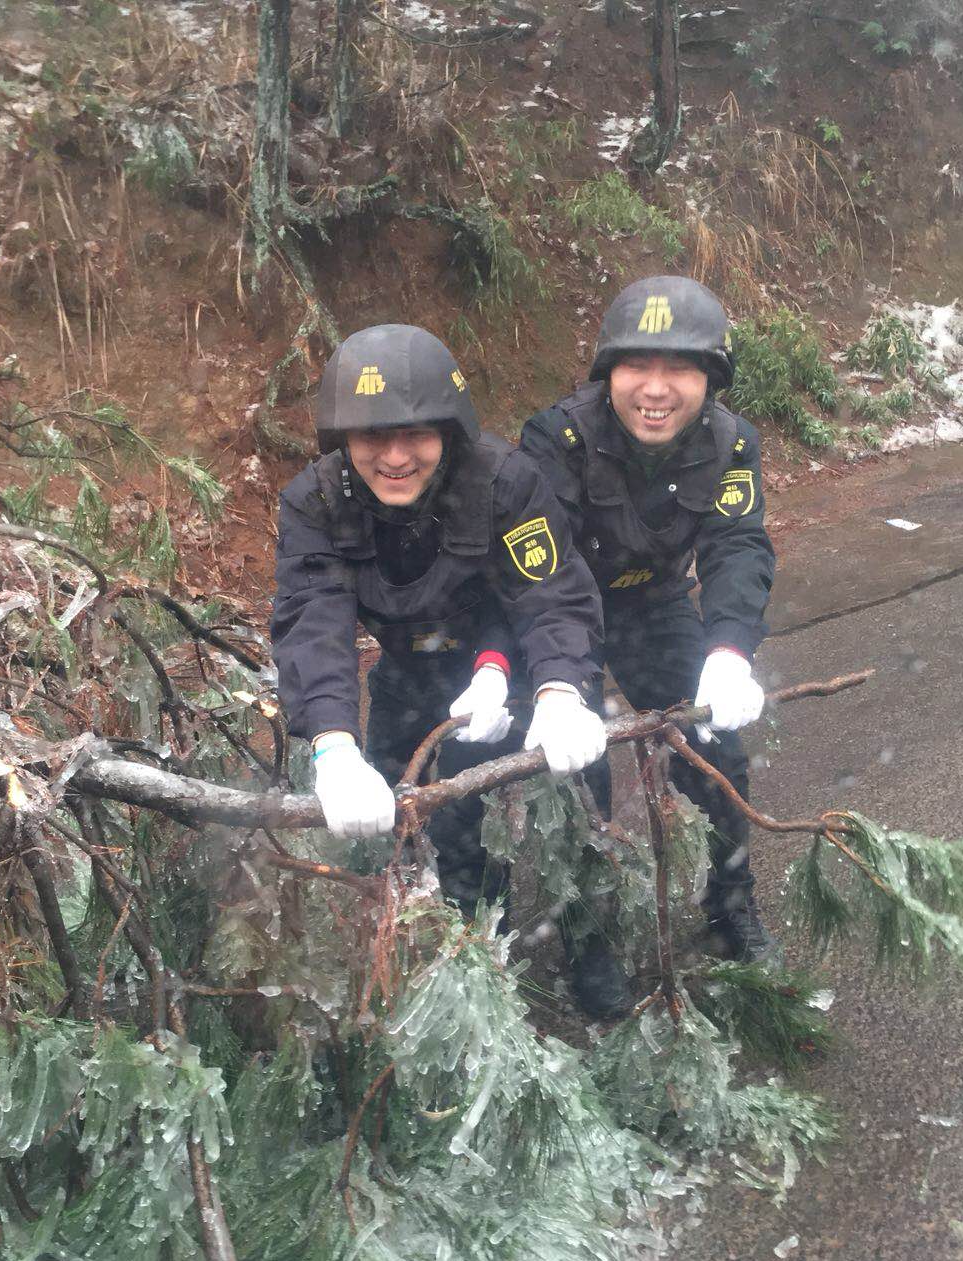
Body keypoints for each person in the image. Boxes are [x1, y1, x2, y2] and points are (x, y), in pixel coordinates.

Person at [272, 322, 607, 917]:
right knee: (408, 813)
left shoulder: (504, 480)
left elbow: (549, 594)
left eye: (417, 434)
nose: (396, 457)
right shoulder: (316, 502)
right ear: (342, 436)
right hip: (406, 669)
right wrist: (332, 745)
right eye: (373, 436)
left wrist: (560, 690)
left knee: (578, 785)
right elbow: (313, 620)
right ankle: (461, 933)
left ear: (447, 433)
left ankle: (589, 933)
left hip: (512, 661)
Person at [520, 276, 780, 1017]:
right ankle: (587, 933)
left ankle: (730, 903)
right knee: (578, 772)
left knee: (717, 750)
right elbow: (543, 575)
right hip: (563, 610)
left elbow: (738, 546)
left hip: (656, 602)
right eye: (638, 366)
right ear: (609, 373)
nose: (657, 389)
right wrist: (562, 687)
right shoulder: (557, 439)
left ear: (711, 379)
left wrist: (729, 649)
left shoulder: (731, 442)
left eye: (682, 368)